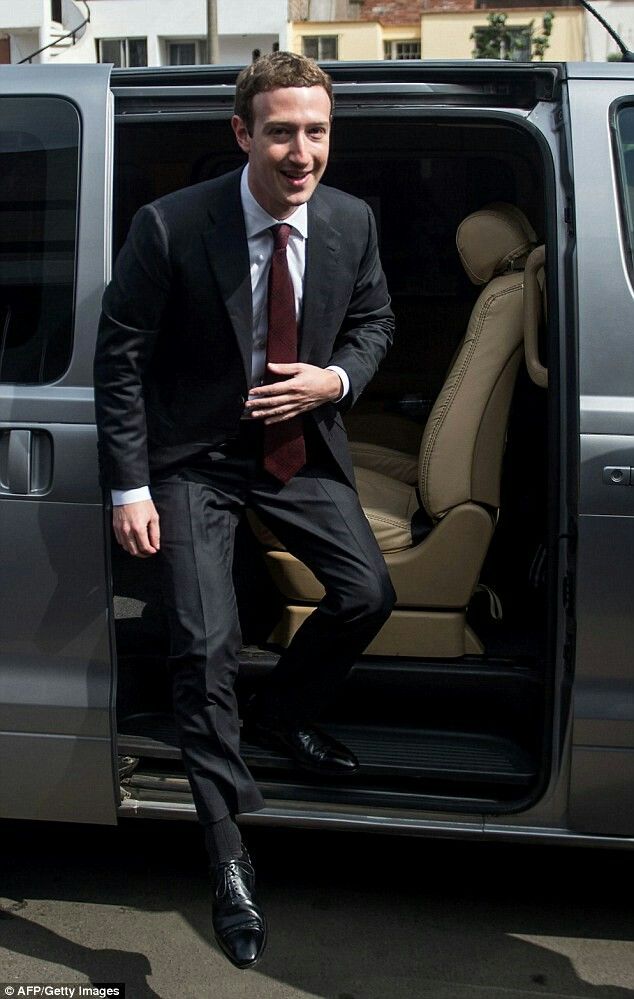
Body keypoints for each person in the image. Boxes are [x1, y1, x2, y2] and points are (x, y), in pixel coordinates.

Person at [94, 51, 395, 970]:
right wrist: (131, 485)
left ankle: (283, 711)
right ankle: (228, 856)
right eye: (281, 132)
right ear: (242, 134)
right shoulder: (172, 225)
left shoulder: (350, 220)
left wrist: (331, 379)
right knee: (204, 644)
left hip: (296, 450)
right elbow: (122, 359)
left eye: (316, 131)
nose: (301, 152)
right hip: (191, 460)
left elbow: (376, 322)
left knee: (365, 593)